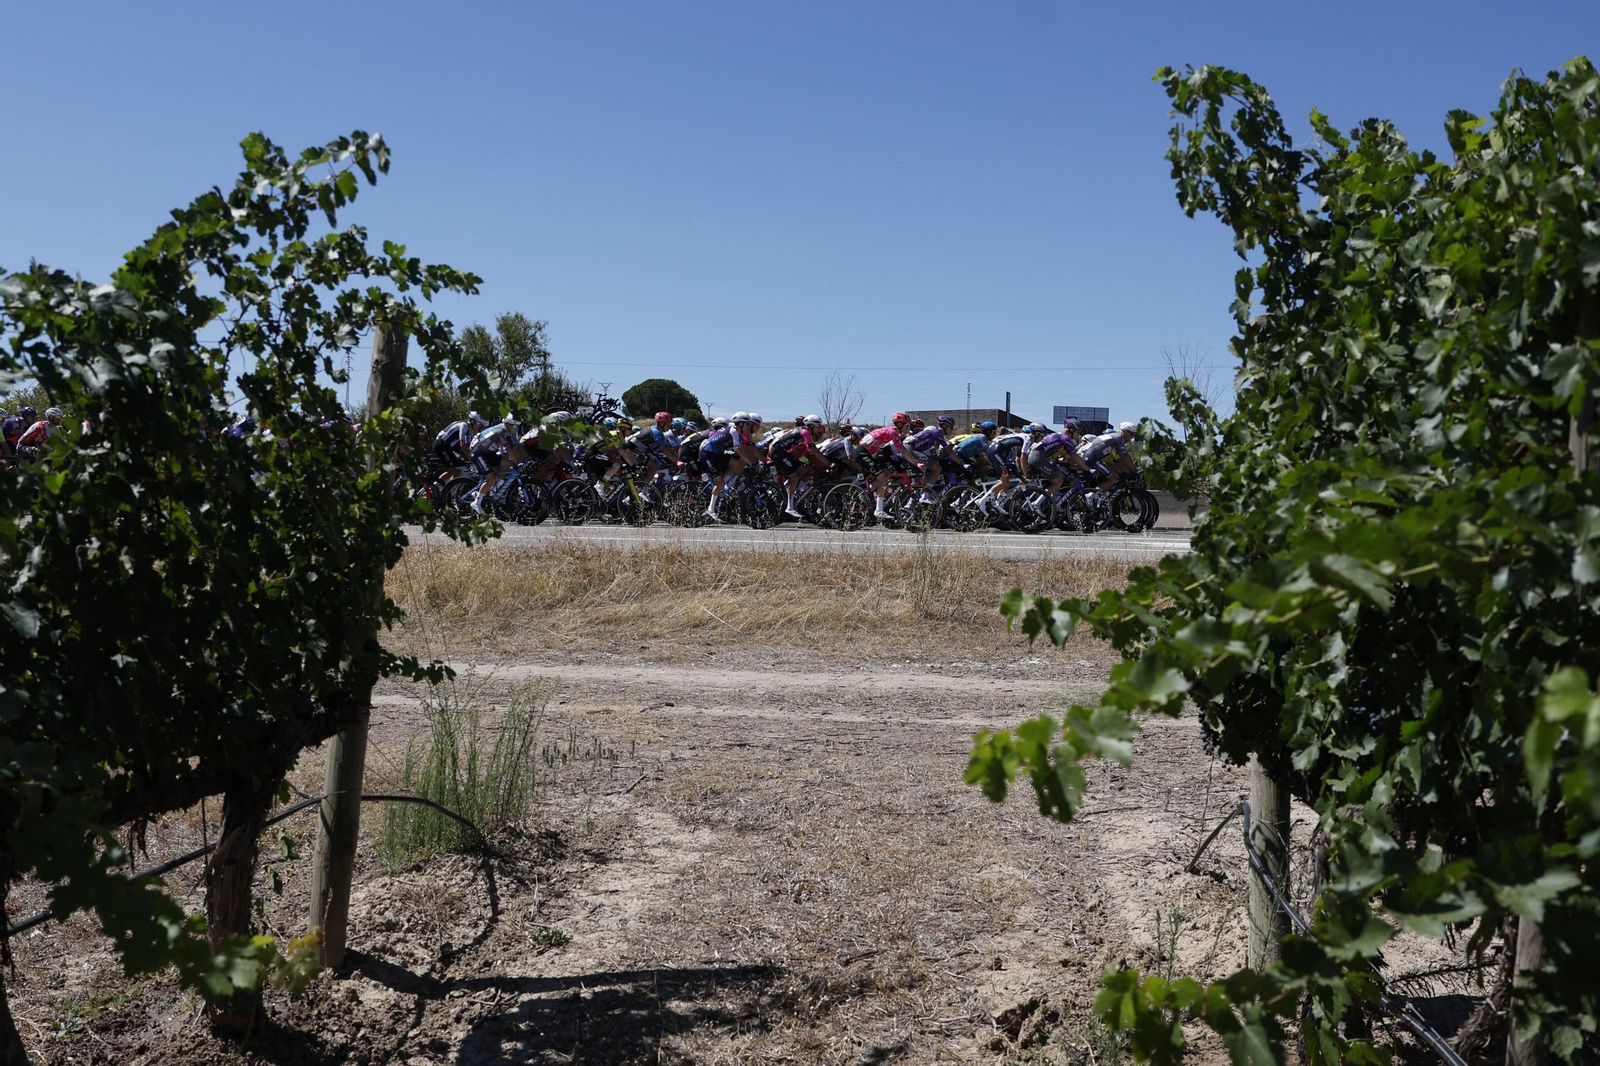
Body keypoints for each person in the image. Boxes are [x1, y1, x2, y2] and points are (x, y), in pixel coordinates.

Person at [768, 415, 832, 518]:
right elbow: (813, 449)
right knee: (795, 476)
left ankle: (795, 492)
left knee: (806, 470)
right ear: (811, 426)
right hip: (777, 452)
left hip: (784, 452)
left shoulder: (803, 430)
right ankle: (789, 507)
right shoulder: (805, 432)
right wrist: (827, 463)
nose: (818, 429)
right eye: (818, 427)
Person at [467, 414, 524, 515]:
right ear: (508, 425)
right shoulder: (501, 431)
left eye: (518, 426)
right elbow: (508, 449)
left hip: (487, 452)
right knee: (491, 478)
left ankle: (492, 489)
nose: (517, 428)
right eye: (516, 426)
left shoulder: (507, 432)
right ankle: (476, 503)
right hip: (477, 452)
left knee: (508, 464)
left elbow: (514, 448)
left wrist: (521, 461)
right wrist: (518, 463)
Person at [904, 415, 956, 503]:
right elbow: (948, 450)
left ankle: (915, 500)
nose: (952, 430)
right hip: (909, 450)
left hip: (909, 449)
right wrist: (961, 463)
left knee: (927, 471)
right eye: (951, 427)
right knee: (937, 468)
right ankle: (925, 496)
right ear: (944, 426)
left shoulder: (930, 435)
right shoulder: (937, 433)